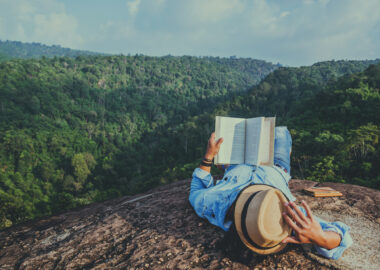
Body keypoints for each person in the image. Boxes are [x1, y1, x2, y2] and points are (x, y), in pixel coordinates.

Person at [189, 127, 352, 259]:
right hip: (276, 166)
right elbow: (341, 237)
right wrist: (320, 238)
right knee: (281, 131)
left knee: (233, 132)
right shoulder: (281, 215)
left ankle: (224, 165)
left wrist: (209, 155)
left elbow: (196, 189)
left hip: (236, 164)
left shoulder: (215, 202)